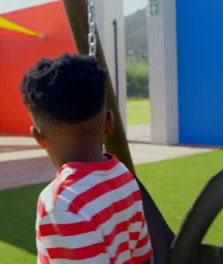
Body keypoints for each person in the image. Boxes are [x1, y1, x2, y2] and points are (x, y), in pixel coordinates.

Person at [20, 53, 152, 263]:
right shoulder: (124, 178)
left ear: (39, 138)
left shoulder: (60, 201)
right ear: (109, 123)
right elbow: (143, 256)